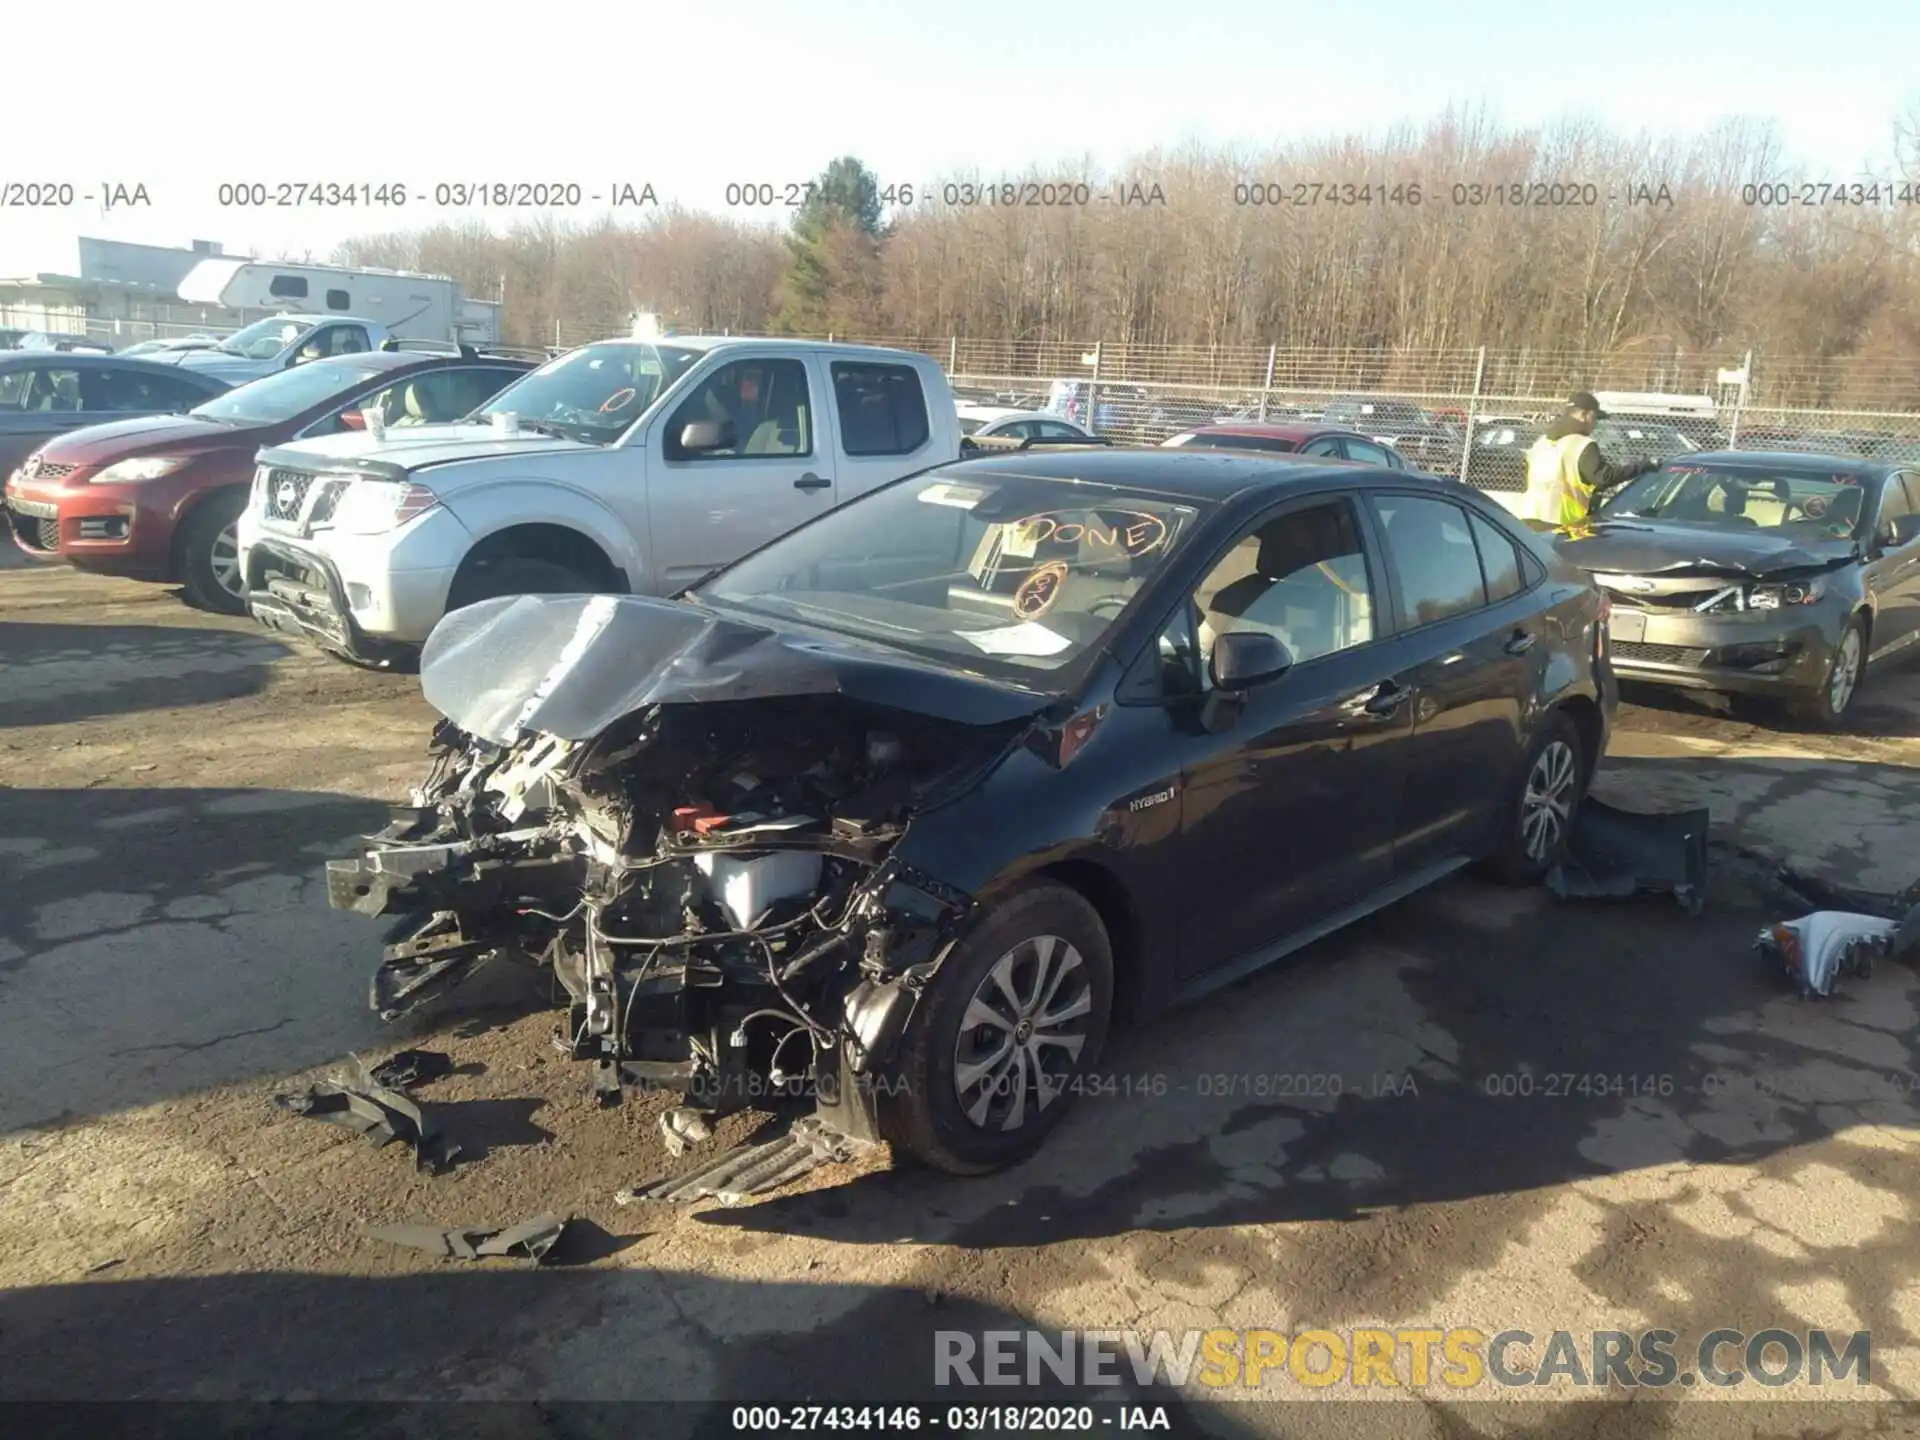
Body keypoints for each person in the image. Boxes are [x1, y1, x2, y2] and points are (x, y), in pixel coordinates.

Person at [1520, 391, 1660, 528]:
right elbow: (1603, 477)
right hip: (1563, 524)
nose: (1595, 424)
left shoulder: (1542, 442)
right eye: (1594, 418)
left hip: (1528, 520)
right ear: (1583, 415)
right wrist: (1641, 466)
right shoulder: (1581, 444)